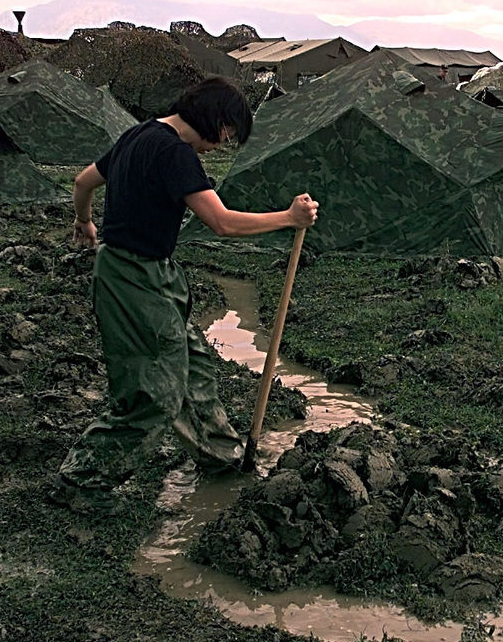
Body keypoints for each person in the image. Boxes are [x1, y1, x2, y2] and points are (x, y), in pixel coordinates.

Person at [47, 76, 319, 513]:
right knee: (155, 395)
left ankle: (221, 456)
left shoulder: (137, 135)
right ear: (214, 119)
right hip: (134, 278)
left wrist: (85, 222)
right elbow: (222, 223)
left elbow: (82, 183)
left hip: (146, 270)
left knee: (193, 367)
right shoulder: (176, 153)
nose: (224, 142)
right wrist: (288, 218)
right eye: (228, 131)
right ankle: (82, 478)